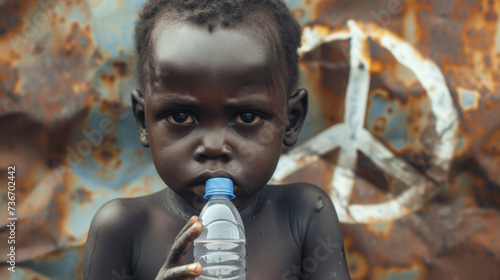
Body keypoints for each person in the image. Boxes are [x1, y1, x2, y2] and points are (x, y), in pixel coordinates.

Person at [82, 0, 351, 279]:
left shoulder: (303, 216)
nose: (213, 146)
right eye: (180, 117)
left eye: (247, 118)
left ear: (291, 120)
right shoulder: (122, 229)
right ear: (143, 121)